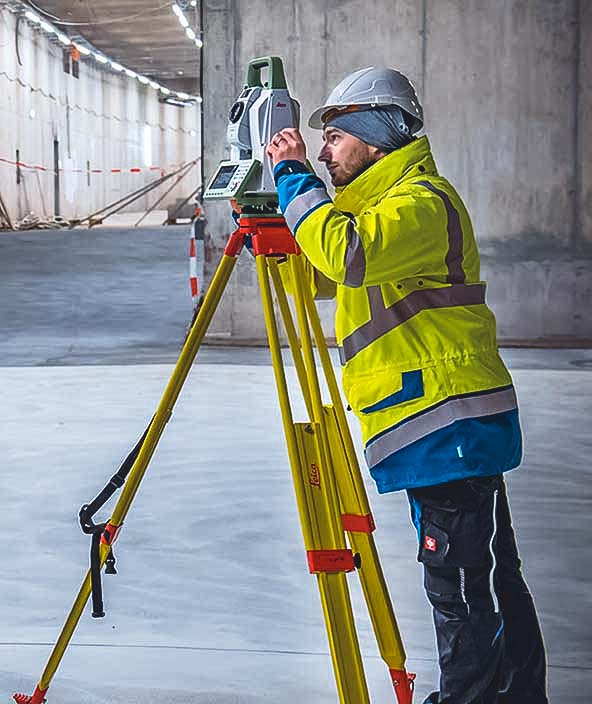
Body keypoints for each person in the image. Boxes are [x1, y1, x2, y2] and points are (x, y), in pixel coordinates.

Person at [265, 67, 548, 704]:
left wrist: (292, 178)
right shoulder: (375, 214)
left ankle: (474, 699)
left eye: (336, 136)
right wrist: (292, 221)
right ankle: (515, 695)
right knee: (487, 575)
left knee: (461, 585)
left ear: (375, 135)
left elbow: (347, 257)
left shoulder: (420, 202)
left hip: (447, 420)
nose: (326, 149)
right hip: (435, 424)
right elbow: (324, 278)